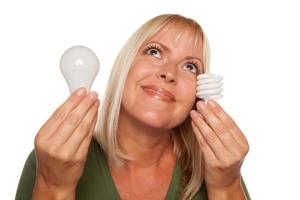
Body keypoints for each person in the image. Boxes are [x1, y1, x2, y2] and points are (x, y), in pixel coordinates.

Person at [16, 14, 251, 200]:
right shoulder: (50, 161)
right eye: (154, 51)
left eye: (190, 66)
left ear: (198, 94)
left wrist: (226, 187)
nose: (169, 73)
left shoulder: (218, 168)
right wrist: (54, 186)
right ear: (124, 67)